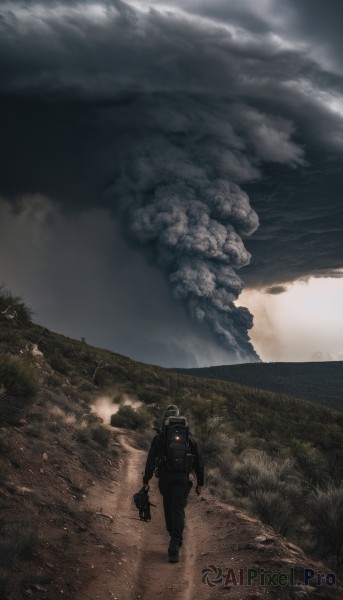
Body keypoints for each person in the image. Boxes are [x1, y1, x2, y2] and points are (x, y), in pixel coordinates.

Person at [142, 404, 204, 563]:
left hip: (165, 479)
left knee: (169, 507)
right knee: (178, 509)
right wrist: (200, 484)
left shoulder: (160, 438)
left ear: (166, 419)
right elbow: (199, 462)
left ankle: (174, 539)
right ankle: (175, 543)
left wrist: (146, 480)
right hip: (182, 478)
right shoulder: (189, 438)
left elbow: (150, 461)